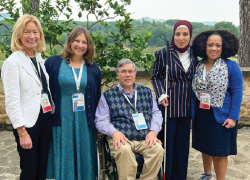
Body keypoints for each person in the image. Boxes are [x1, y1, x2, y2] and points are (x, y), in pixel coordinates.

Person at [1, 14, 54, 180]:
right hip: (28, 124)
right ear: (18, 35)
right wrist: (22, 131)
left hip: (45, 118)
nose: (32, 36)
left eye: (35, 32)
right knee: (30, 169)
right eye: (27, 32)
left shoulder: (38, 59)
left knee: (42, 167)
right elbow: (12, 100)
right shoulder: (12, 62)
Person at [45, 27, 101, 180]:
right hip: (62, 119)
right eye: (77, 40)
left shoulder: (93, 67)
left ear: (88, 46)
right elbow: (42, 89)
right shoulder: (54, 63)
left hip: (84, 120)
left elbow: (97, 97)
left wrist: (98, 123)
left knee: (84, 155)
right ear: (70, 42)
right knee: (65, 154)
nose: (80, 45)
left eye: (84, 42)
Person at [95, 58, 164, 180]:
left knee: (157, 149)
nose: (127, 75)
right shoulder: (108, 96)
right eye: (123, 71)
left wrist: (153, 132)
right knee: (125, 151)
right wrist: (114, 132)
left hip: (145, 137)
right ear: (117, 74)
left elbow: (156, 113)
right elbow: (101, 120)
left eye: (130, 71)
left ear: (135, 73)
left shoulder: (146, 92)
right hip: (121, 139)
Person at [191, 30, 243, 180]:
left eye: (218, 45)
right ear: (204, 46)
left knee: (220, 152)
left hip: (222, 115)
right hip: (202, 113)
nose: (214, 48)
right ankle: (207, 174)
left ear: (224, 47)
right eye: (210, 45)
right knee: (205, 147)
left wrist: (233, 117)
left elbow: (237, 93)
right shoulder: (198, 65)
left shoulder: (231, 67)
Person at [151, 20, 196, 180]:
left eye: (185, 34)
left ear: (190, 35)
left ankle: (179, 176)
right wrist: (161, 94)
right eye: (178, 34)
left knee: (182, 146)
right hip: (168, 104)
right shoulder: (164, 53)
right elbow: (155, 77)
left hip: (186, 104)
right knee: (168, 144)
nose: (181, 38)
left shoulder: (195, 53)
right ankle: (166, 175)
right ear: (173, 35)